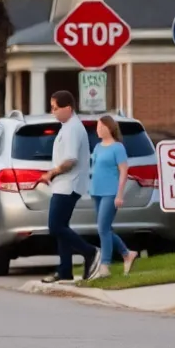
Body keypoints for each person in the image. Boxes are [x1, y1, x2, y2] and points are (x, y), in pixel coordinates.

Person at [40, 90, 101, 283]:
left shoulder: (73, 128)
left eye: (56, 108)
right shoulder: (67, 127)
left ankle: (90, 252)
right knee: (61, 227)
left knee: (55, 226)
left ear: (68, 108)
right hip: (62, 185)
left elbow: (70, 161)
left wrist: (51, 173)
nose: (53, 112)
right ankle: (65, 271)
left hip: (69, 184)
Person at [90, 115, 139, 279]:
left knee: (102, 229)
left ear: (107, 128)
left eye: (99, 126)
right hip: (96, 192)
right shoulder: (97, 147)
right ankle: (127, 254)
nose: (97, 129)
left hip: (110, 193)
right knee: (105, 229)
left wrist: (119, 194)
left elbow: (124, 171)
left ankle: (105, 266)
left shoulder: (117, 148)